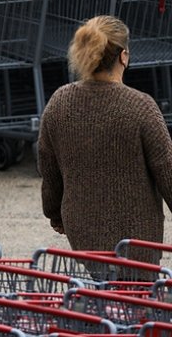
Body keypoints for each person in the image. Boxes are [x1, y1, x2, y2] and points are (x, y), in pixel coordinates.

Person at [38, 15, 172, 266]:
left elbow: (49, 168)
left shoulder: (59, 102)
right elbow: (168, 173)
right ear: (123, 56)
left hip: (82, 231)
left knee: (97, 297)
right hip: (136, 238)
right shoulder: (140, 107)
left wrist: (55, 214)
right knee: (133, 298)